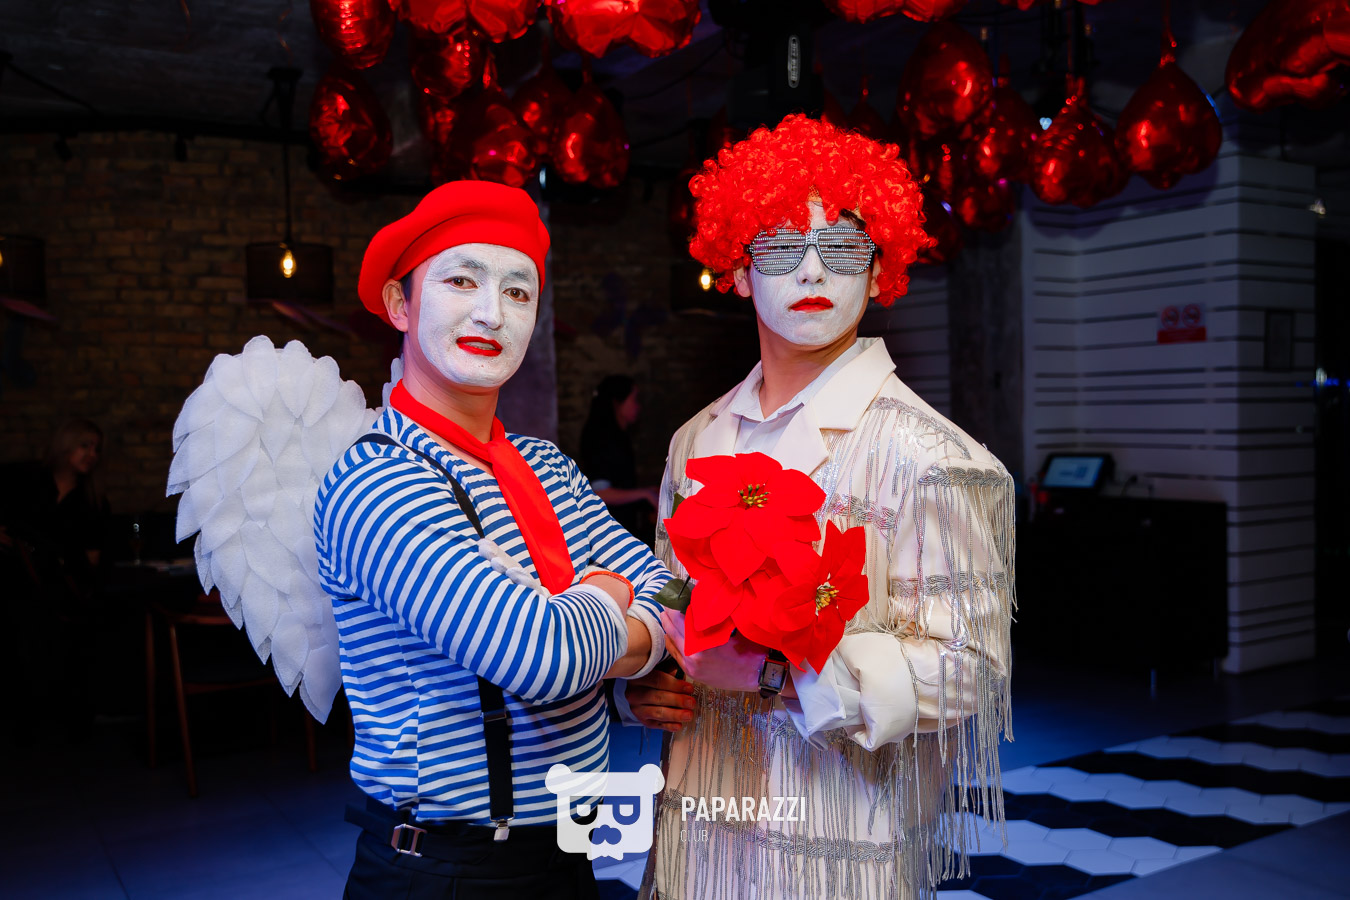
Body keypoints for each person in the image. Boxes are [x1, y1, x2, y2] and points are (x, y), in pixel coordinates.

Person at [625, 115, 1016, 899]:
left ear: (879, 272)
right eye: (778, 248)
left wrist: (778, 674)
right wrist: (652, 679)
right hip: (699, 836)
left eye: (841, 248)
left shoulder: (935, 457)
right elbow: (675, 610)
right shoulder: (695, 440)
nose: (812, 272)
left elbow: (970, 670)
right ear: (739, 272)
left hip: (841, 845)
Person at [315, 181, 674, 900]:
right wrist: (612, 603)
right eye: (461, 281)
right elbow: (541, 659)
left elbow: (677, 591)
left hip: (568, 855)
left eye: (518, 292)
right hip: (444, 871)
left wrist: (597, 634)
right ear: (399, 304)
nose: (492, 312)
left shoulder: (547, 465)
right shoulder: (376, 480)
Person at [0, 418, 110, 742]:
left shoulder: (92, 500)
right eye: (85, 445)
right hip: (15, 582)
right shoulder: (26, 480)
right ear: (66, 445)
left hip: (61, 593)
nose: (92, 454)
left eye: (96, 449)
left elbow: (92, 558)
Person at [579, 374, 660, 545]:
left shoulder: (618, 436)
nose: (638, 406)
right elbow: (600, 492)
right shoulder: (601, 440)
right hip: (609, 534)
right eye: (634, 399)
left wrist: (646, 492)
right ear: (617, 402)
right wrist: (645, 494)